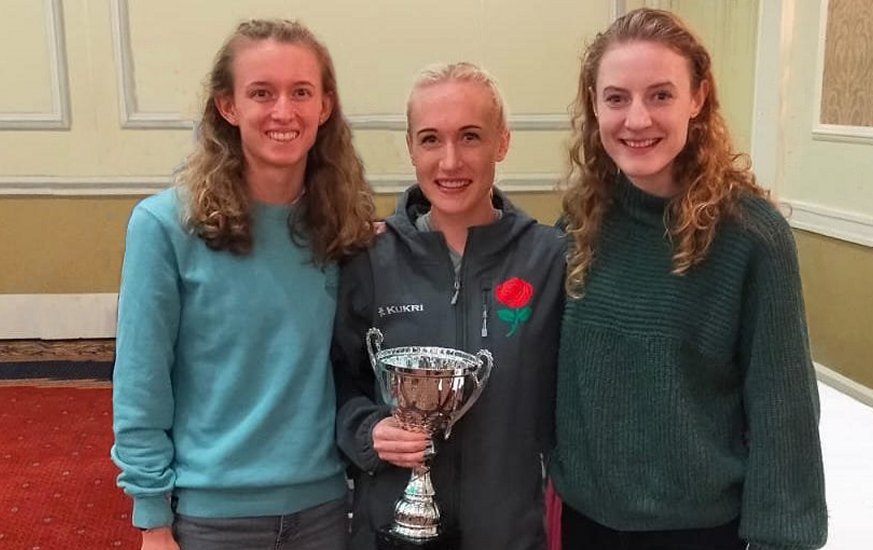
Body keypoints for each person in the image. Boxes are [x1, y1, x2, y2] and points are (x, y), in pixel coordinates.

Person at [551, 8, 828, 550]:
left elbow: (784, 408)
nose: (636, 120)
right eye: (616, 98)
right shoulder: (580, 223)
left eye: (660, 95)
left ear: (697, 99)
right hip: (585, 522)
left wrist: (784, 538)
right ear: (594, 105)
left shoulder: (751, 237)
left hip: (697, 530)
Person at [111, 19, 375, 550]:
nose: (284, 111)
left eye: (301, 92)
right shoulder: (164, 228)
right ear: (228, 107)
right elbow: (141, 386)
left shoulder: (342, 227)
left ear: (325, 106)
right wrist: (152, 521)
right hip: (212, 517)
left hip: (324, 508)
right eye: (262, 93)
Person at [334, 62, 565, 550]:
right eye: (431, 139)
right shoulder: (369, 257)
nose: (451, 161)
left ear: (502, 142)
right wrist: (367, 431)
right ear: (411, 148)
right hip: (392, 533)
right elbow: (335, 382)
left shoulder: (548, 260)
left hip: (509, 533)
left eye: (471, 137)